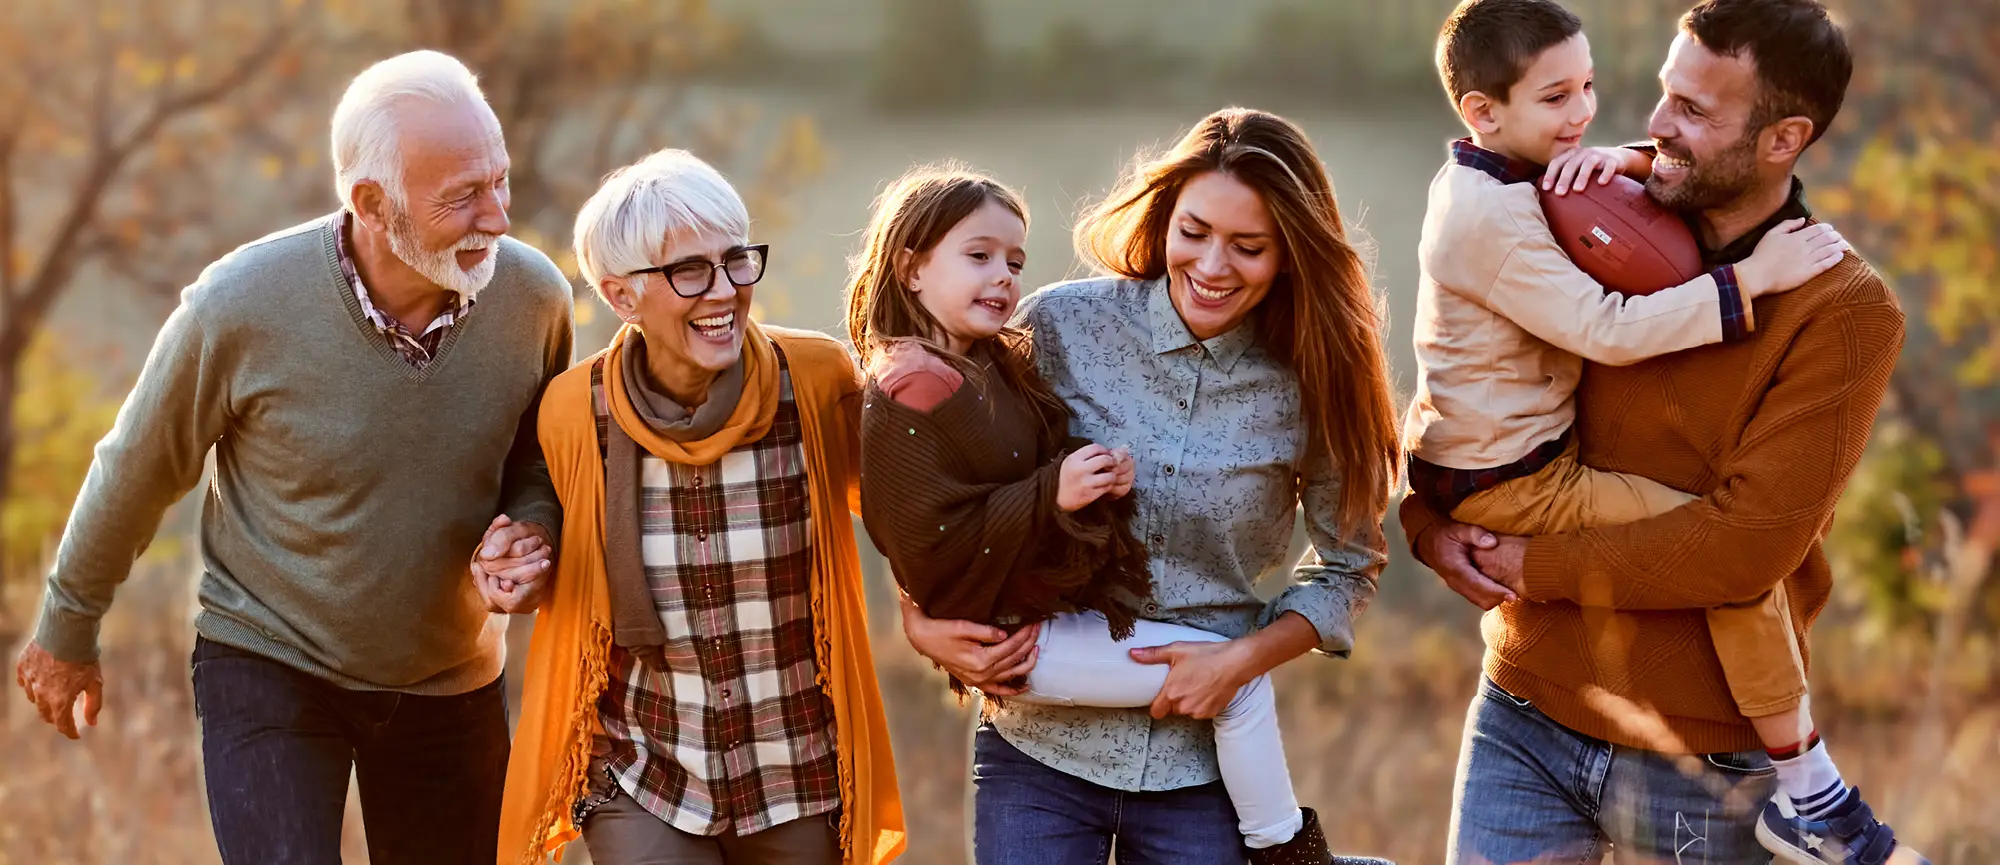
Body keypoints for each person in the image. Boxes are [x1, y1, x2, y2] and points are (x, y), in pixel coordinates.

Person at [11, 50, 573, 865]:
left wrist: (529, 527)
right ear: (372, 203)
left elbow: (539, 458)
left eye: (500, 182)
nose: (497, 218)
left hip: (450, 671)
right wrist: (67, 624)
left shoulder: (534, 299)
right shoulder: (240, 304)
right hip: (271, 655)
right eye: (463, 197)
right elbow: (138, 466)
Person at [1403, 2, 1926, 863]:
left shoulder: (1845, 310)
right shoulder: (1583, 208)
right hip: (1522, 716)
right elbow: (1460, 376)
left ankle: (1814, 799)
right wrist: (1427, 524)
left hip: (1708, 766)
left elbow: (1744, 547)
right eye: (1661, 95)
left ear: (1782, 138)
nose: (1653, 126)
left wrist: (1530, 565)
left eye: (1693, 111)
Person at [898, 109, 1399, 865]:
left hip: (1199, 767)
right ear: (1165, 218)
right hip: (1039, 751)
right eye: (1193, 232)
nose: (1212, 264)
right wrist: (920, 619)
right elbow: (938, 484)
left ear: (1290, 255)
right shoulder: (1058, 328)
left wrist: (1241, 662)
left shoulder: (1310, 381)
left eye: (1248, 246)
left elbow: (1348, 564)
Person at [495, 148, 905, 865]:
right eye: (690, 270)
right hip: (641, 768)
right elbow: (547, 507)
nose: (724, 291)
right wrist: (524, 549)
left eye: (736, 259)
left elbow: (912, 508)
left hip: (798, 772)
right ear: (621, 296)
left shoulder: (811, 382)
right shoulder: (573, 410)